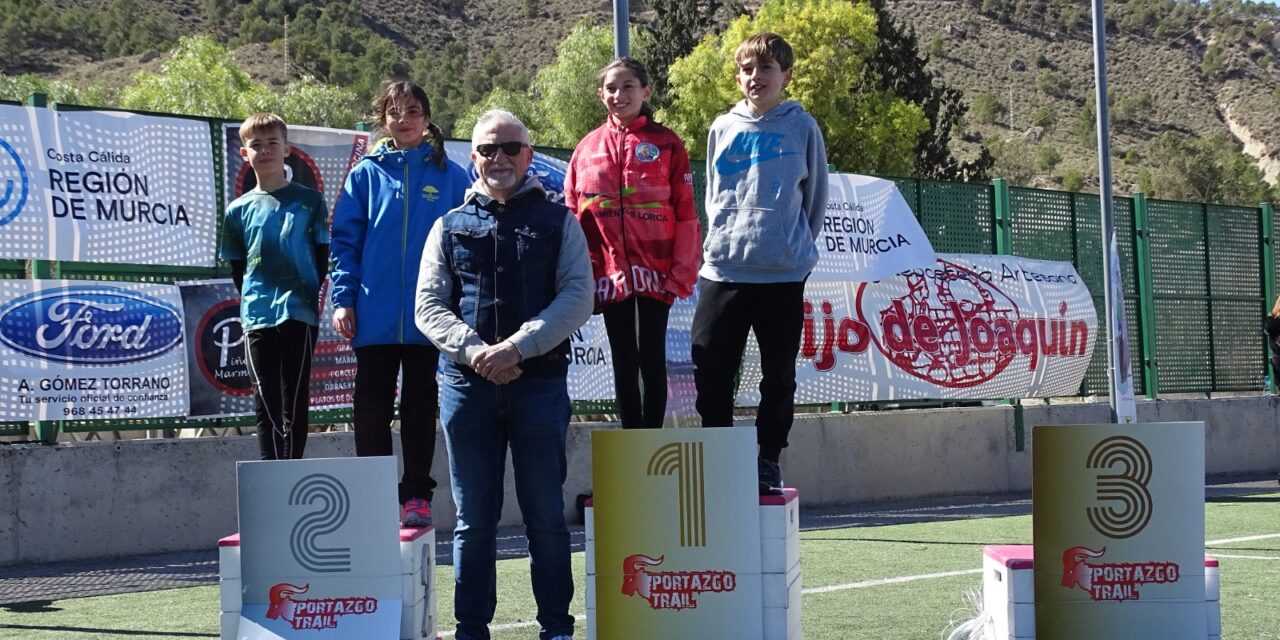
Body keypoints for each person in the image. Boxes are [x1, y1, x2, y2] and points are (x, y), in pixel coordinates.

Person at [415, 110, 592, 640]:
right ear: (473, 159)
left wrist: (516, 347)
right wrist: (476, 354)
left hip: (539, 388)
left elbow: (578, 297)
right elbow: (428, 305)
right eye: (488, 149)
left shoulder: (562, 222)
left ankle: (557, 628)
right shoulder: (446, 226)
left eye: (510, 148)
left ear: (528, 155)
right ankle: (471, 630)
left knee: (546, 518)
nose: (500, 159)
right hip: (466, 390)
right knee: (473, 523)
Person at [691, 32, 829, 495]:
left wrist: (793, 250)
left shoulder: (802, 127)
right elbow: (713, 196)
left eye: (766, 69)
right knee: (710, 371)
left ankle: (767, 460)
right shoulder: (721, 127)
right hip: (724, 272)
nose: (756, 78)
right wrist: (724, 242)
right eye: (748, 70)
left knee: (778, 378)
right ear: (738, 77)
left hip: (782, 275)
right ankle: (717, 460)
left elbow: (815, 201)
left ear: (785, 76)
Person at [330, 81, 470, 527]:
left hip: (429, 316)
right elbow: (344, 243)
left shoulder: (450, 174)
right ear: (383, 119)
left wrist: (459, 302)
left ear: (427, 119)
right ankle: (372, 497)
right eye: (394, 111)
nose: (404, 119)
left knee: (419, 401)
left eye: (413, 111)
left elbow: (467, 240)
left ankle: (416, 496)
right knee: (370, 401)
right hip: (373, 313)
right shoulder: (365, 174)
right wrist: (343, 298)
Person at [565, 57, 701, 429]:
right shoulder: (586, 148)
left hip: (656, 272)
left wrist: (681, 272)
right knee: (624, 361)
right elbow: (573, 215)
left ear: (646, 91)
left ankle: (651, 444)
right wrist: (584, 274)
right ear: (600, 95)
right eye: (611, 88)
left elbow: (686, 213)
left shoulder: (667, 142)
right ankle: (631, 444)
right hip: (609, 273)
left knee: (652, 361)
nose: (619, 94)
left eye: (628, 87)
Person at [219, 113, 329, 461]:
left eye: (272, 143)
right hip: (257, 316)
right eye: (256, 145)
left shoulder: (310, 201)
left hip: (299, 312)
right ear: (244, 154)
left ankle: (292, 472)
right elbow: (239, 270)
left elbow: (321, 258)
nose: (264, 150)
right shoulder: (237, 211)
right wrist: (259, 297)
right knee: (264, 400)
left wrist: (303, 293)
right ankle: (270, 474)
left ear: (287, 150)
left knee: (294, 401)